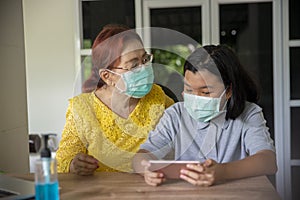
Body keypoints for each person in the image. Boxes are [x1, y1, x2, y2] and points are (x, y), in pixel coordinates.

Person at [133, 45, 277, 186]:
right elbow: (142, 155)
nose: (196, 99)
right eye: (189, 90)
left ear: (228, 91)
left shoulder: (249, 114)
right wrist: (146, 169)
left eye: (206, 92)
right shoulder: (175, 115)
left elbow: (268, 161)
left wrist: (223, 172)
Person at [56, 24, 174, 175]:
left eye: (145, 59)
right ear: (107, 76)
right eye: (134, 65)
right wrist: (74, 165)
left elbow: (183, 130)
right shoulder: (82, 108)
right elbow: (63, 161)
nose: (144, 68)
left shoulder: (157, 96)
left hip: (151, 189)